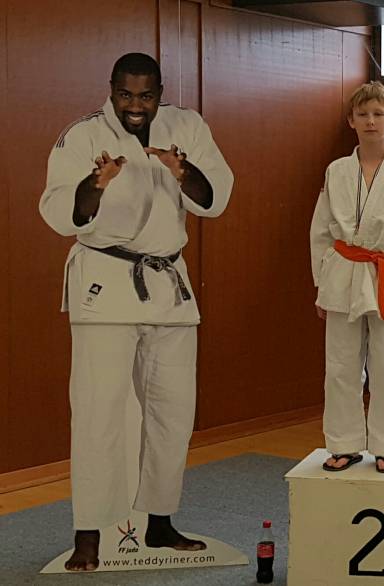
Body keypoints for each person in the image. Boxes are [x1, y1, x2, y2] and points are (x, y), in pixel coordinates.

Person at [38, 53, 233, 571]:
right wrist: (95, 185)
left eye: (146, 96)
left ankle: (160, 520)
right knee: (98, 412)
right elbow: (59, 212)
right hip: (105, 281)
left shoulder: (187, 126)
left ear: (160, 92)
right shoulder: (82, 135)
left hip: (168, 283)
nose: (135, 106)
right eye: (126, 95)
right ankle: (88, 532)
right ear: (112, 90)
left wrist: (182, 170)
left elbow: (216, 197)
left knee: (173, 411)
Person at [310, 81, 384, 473]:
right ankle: (343, 443)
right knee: (340, 366)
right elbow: (320, 232)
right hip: (342, 273)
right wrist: (321, 284)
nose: (370, 121)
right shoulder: (336, 170)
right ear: (351, 121)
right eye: (362, 114)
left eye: (378, 114)